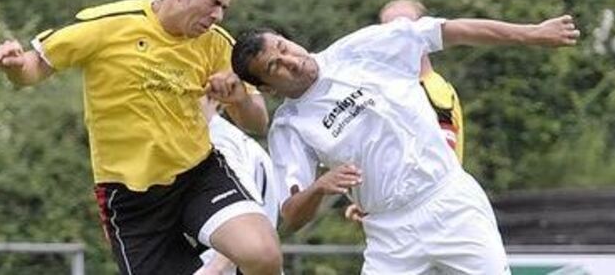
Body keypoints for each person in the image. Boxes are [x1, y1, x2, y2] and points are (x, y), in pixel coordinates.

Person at [0, 0, 282, 275]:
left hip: (196, 176)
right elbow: (34, 68)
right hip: (130, 201)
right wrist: (14, 65)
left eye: (224, 8)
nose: (218, 15)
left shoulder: (216, 44)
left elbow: (258, 121)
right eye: (213, 2)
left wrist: (239, 96)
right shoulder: (109, 25)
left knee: (262, 253)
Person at [231, 15, 579, 274]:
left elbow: (450, 30)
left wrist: (532, 34)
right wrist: (319, 188)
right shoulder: (289, 126)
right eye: (275, 66)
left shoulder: (362, 48)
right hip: (390, 233)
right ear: (268, 89)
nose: (290, 60)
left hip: (449, 201)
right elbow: (290, 215)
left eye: (283, 47)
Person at [344, 0, 465, 222]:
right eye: (388, 29)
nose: (397, 36)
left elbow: (440, 161)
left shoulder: (432, 90)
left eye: (405, 26)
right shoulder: (389, 90)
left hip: (436, 216)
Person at [195, 96, 279, 275]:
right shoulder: (234, 138)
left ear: (213, 98)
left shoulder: (217, 144)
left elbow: (249, 213)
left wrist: (213, 269)